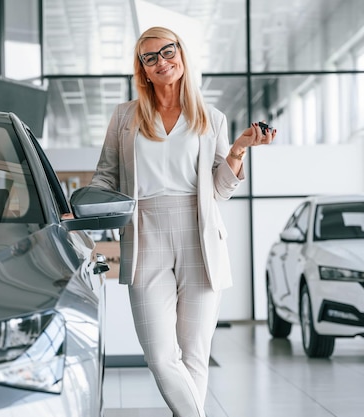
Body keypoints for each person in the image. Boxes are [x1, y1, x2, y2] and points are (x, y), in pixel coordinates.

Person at [88, 26, 276, 417]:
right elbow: (106, 175)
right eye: (150, 57)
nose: (161, 62)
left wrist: (239, 149)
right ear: (142, 70)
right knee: (159, 354)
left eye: (167, 52)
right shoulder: (125, 116)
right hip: (144, 234)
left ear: (182, 55)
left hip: (200, 235)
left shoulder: (211, 117)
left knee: (194, 355)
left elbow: (220, 190)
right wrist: (87, 204)